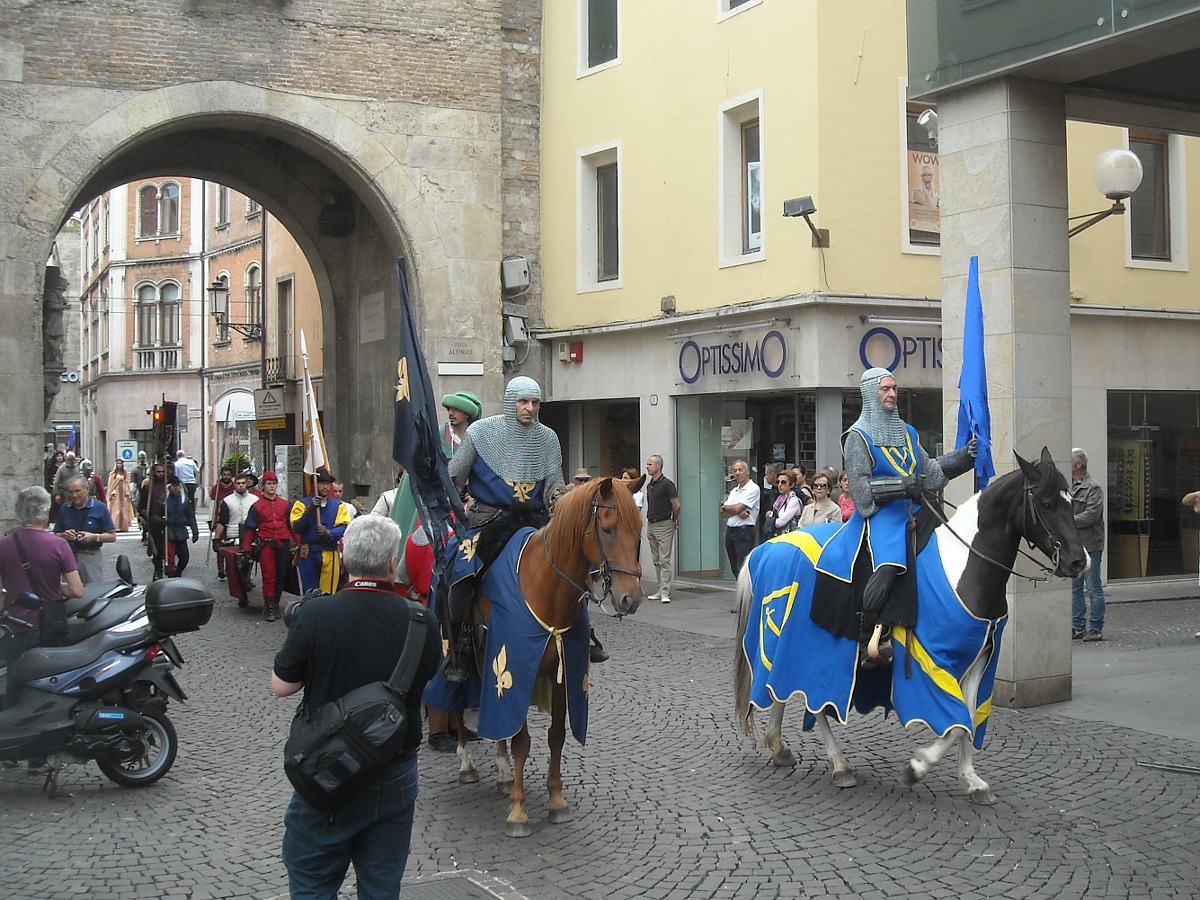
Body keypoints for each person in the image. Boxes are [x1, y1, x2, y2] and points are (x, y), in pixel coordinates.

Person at [272, 515, 441, 900]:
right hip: (395, 770)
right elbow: (426, 679)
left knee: (312, 884)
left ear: (344, 557)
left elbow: (282, 686)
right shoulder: (422, 621)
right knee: (382, 887)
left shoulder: (315, 615)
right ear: (391, 561)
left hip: (327, 771)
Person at [812, 368, 976, 665]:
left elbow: (932, 473)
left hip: (914, 510)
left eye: (894, 389)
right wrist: (902, 485)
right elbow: (861, 492)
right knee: (890, 564)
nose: (891, 394)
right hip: (882, 517)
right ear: (871, 394)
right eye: (885, 389)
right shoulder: (857, 438)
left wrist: (965, 457)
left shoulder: (909, 433)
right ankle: (869, 637)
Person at [441, 376, 565, 681]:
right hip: (488, 520)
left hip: (532, 521)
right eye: (524, 402)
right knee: (461, 569)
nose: (530, 408)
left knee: (571, 567)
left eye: (535, 403)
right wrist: (452, 507)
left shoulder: (547, 439)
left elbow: (554, 486)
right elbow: (454, 478)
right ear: (511, 403)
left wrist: (561, 498)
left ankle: (579, 636)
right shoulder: (481, 433)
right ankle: (460, 646)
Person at [0, 486, 84, 707]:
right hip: (49, 626)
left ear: (19, 512)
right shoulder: (59, 545)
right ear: (46, 512)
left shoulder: (4, 545)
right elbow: (77, 590)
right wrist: (52, 586)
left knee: (15, 686)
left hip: (15, 627)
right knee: (50, 686)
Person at [290, 468, 352, 594]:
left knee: (328, 593)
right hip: (309, 553)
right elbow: (297, 527)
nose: (325, 487)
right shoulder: (301, 504)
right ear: (314, 484)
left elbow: (344, 527)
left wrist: (329, 533)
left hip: (329, 552)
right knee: (310, 592)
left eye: (327, 484)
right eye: (322, 483)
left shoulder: (339, 506)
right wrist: (310, 510)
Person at [243, 471, 294, 622]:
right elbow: (250, 529)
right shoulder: (257, 506)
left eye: (274, 484)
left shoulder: (285, 505)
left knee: (281, 576)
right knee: (269, 576)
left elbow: (292, 527)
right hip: (266, 545)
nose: (272, 487)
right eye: (269, 484)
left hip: (283, 544)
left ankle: (276, 602)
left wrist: (299, 544)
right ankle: (269, 605)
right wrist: (246, 549)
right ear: (264, 486)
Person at [1070, 448, 1107, 642]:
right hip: (1074, 545)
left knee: (1093, 587)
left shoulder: (1093, 487)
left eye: (1070, 461)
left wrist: (1067, 521)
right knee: (1074, 588)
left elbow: (1092, 515)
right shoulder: (1068, 485)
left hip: (1091, 544)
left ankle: (1096, 628)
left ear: (1078, 465)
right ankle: (1078, 626)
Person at [52, 475, 117, 585]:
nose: (74, 495)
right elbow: (56, 534)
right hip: (69, 557)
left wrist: (94, 537)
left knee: (92, 591)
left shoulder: (99, 508)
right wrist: (64, 535)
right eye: (70, 492)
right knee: (71, 592)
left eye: (78, 491)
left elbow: (112, 536)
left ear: (87, 489)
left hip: (90, 557)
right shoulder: (65, 508)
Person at [644, 454, 680, 603]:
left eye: (650, 464)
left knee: (664, 560)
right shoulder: (649, 484)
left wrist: (675, 520)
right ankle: (660, 589)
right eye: (647, 464)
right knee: (656, 560)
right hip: (651, 524)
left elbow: (676, 505)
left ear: (659, 466)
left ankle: (665, 592)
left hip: (664, 523)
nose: (647, 467)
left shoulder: (667, 484)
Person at [720, 459, 760, 576]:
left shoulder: (753, 488)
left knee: (742, 567)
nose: (737, 473)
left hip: (744, 531)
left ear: (747, 471)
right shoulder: (734, 491)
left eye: (740, 470)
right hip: (731, 531)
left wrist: (731, 509)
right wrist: (734, 510)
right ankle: (741, 591)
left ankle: (748, 593)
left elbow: (737, 508)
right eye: (735, 470)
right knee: (734, 566)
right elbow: (723, 512)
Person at [138, 461, 170, 581]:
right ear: (153, 473)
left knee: (166, 547)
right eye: (158, 472)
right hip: (153, 520)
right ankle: (158, 570)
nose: (160, 474)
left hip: (166, 520)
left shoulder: (168, 486)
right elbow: (141, 504)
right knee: (157, 547)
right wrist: (144, 515)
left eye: (162, 472)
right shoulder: (148, 487)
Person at [163, 476, 199, 578]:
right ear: (169, 487)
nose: (175, 488)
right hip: (168, 532)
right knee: (169, 558)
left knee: (184, 557)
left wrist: (195, 531)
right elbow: (155, 514)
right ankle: (170, 575)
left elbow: (191, 516)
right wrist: (161, 521)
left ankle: (178, 572)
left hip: (181, 532)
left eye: (177, 486)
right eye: (173, 486)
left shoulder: (185, 501)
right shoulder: (163, 500)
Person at [209, 466, 237, 579]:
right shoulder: (216, 489)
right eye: (224, 475)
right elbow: (212, 504)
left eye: (228, 475)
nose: (226, 477)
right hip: (220, 519)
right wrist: (211, 520)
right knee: (219, 544)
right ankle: (220, 568)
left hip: (232, 519)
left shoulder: (235, 487)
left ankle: (231, 568)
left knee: (232, 545)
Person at [441, 390, 483, 457]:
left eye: (456, 410)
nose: (451, 413)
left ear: (467, 414)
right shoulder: (439, 433)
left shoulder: (478, 438)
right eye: (449, 409)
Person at [765, 470, 802, 535]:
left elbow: (781, 522)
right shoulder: (779, 499)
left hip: (790, 536)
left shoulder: (793, 500)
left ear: (792, 484)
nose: (780, 485)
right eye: (778, 482)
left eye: (783, 482)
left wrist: (770, 518)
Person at [106, 459, 135, 532]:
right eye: (118, 463)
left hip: (124, 493)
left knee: (124, 510)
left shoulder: (125, 473)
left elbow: (127, 482)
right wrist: (111, 492)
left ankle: (123, 526)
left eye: (120, 463)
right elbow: (110, 485)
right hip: (116, 494)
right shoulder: (113, 474)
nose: (119, 465)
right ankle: (116, 526)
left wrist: (128, 492)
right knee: (116, 510)